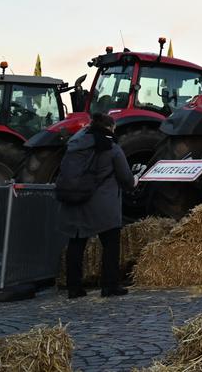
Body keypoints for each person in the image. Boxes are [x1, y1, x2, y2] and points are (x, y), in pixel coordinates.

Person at [60, 113, 136, 297]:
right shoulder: (111, 148)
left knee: (76, 243)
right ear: (109, 128)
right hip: (103, 204)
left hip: (75, 199)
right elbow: (126, 178)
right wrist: (135, 181)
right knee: (110, 244)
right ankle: (110, 286)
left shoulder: (74, 145)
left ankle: (74, 288)